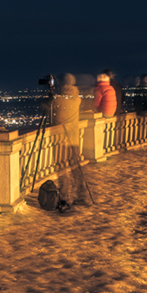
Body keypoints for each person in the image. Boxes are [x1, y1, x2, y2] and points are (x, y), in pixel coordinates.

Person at [52, 74, 89, 205]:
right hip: (74, 139)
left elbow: (53, 114)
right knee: (75, 168)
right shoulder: (77, 99)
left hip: (63, 141)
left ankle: (64, 198)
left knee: (62, 168)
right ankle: (83, 195)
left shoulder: (59, 100)